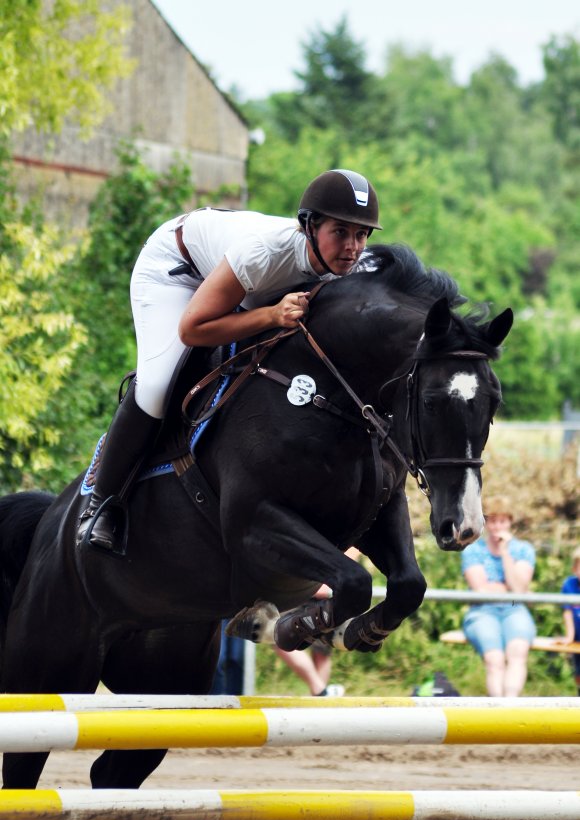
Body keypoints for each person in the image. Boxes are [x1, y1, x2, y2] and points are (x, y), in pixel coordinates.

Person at [76, 169, 382, 554]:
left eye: (361, 234)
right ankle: (102, 504)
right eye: (340, 232)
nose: (353, 247)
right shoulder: (265, 253)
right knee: (157, 385)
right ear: (309, 226)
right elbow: (193, 328)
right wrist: (271, 315)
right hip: (177, 271)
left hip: (241, 287)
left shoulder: (356, 266)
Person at [460, 495, 536, 697]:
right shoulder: (473, 550)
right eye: (492, 521)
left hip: (514, 609)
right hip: (482, 612)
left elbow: (517, 590)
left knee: (518, 652)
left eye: (502, 521)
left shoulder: (523, 549)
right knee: (495, 660)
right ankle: (497, 707)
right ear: (485, 522)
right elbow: (480, 589)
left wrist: (504, 554)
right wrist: (510, 588)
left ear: (510, 522)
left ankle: (510, 706)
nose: (497, 527)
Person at [272, 547, 360, 696]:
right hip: (299, 582)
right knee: (276, 636)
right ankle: (320, 691)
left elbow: (355, 546)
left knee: (321, 649)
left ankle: (319, 696)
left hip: (322, 585)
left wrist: (332, 579)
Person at [558, 546, 580, 694]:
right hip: (577, 638)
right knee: (578, 672)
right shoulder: (570, 585)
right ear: (574, 569)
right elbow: (567, 612)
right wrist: (569, 636)